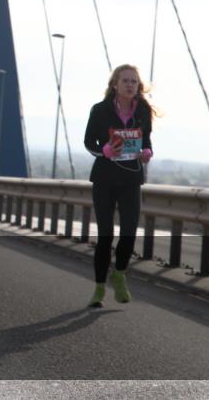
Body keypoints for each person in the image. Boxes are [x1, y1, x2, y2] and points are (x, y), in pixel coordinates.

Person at [83, 64, 155, 308]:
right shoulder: (100, 110)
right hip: (104, 178)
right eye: (125, 81)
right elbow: (88, 141)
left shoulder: (143, 110)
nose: (129, 85)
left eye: (134, 81)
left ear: (138, 86)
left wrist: (146, 152)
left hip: (131, 179)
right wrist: (104, 150)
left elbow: (147, 142)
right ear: (115, 84)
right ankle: (99, 288)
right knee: (105, 235)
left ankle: (120, 274)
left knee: (129, 232)